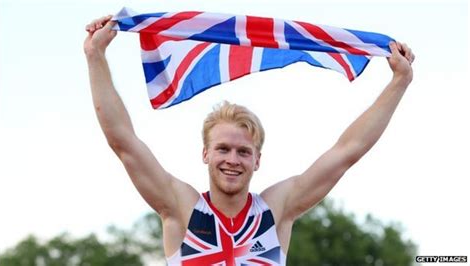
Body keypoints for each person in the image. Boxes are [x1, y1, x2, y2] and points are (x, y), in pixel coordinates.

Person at [84, 15, 414, 266]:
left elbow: (347, 151)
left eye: (244, 152)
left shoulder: (275, 209)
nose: (232, 159)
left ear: (257, 160)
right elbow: (123, 142)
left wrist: (399, 82)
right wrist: (95, 55)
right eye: (223, 149)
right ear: (205, 154)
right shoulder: (181, 206)